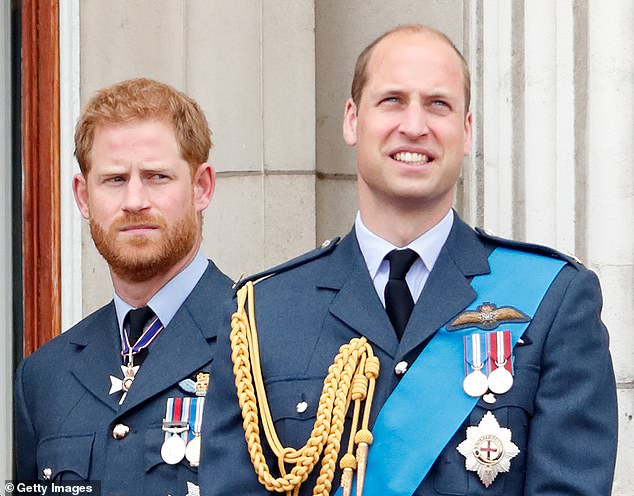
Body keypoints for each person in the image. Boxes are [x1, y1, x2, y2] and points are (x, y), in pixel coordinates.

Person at [205, 24, 618, 495]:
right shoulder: (264, 314)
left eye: (438, 104)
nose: (415, 126)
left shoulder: (553, 301)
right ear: (351, 120)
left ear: (465, 131)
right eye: (393, 100)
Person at [15, 78, 234, 496]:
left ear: (201, 186)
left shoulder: (260, 343)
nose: (134, 200)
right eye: (115, 179)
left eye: (156, 176)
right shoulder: (43, 378)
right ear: (83, 196)